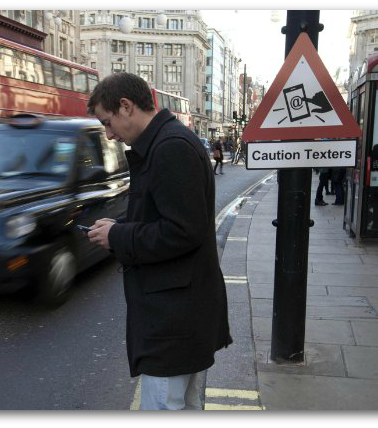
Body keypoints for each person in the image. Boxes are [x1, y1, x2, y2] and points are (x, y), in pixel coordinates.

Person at [85, 72, 231, 410]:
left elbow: (182, 231)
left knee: (164, 404)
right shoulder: (164, 142)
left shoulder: (170, 148)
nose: (108, 134)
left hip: (173, 316)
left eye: (108, 122)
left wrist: (119, 235)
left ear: (126, 106)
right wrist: (118, 225)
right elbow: (165, 215)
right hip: (179, 311)